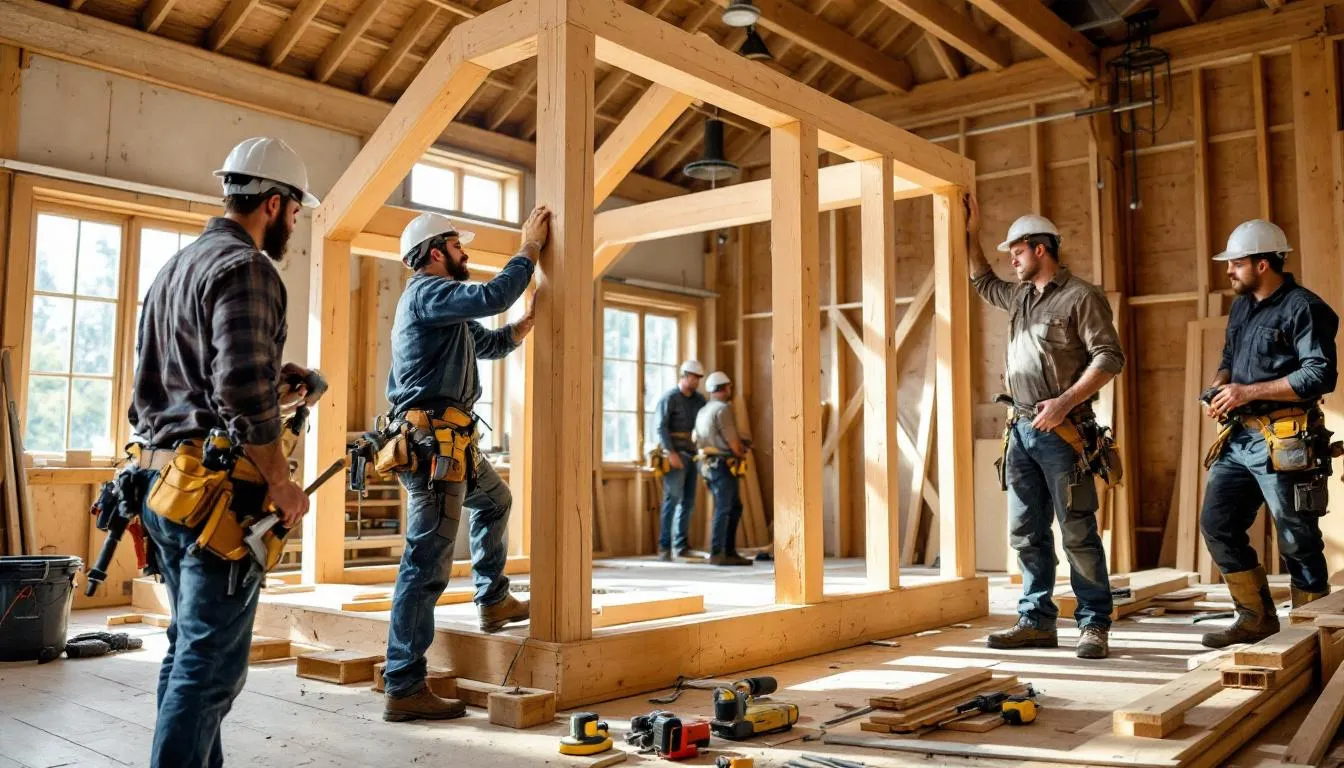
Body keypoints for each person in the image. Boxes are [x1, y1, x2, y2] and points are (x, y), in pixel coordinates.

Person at [129, 136, 319, 767]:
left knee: (189, 657)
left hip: (164, 487)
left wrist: (276, 383)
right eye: (295, 213)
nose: (294, 225)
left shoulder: (175, 267)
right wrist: (282, 479)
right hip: (217, 500)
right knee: (209, 674)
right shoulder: (249, 268)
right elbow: (237, 387)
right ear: (272, 202)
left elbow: (190, 379)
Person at [380, 205, 549, 722]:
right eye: (458, 246)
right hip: (432, 447)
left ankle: (493, 598)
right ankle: (404, 684)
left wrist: (524, 326)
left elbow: (490, 342)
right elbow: (493, 294)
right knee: (425, 565)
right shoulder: (427, 293)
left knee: (496, 500)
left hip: (451, 445)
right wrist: (529, 249)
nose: (465, 254)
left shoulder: (445, 314)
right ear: (436, 254)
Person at [966, 194, 1126, 660]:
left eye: (1016, 250)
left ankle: (1094, 623)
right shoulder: (1017, 296)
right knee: (1025, 531)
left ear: (1041, 249)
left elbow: (1109, 357)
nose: (1011, 259)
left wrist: (1064, 402)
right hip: (1019, 431)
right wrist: (970, 233)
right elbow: (980, 280)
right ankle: (1036, 620)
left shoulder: (1082, 297)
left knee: (1077, 530)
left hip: (1063, 432)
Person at [1197, 219, 1339, 649]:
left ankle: (1313, 637)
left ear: (1262, 264)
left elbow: (1320, 374)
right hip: (1240, 438)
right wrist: (1221, 388)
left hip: (1286, 440)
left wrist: (1246, 391)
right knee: (1217, 523)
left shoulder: (1305, 308)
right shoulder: (1242, 306)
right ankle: (1255, 618)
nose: (1228, 271)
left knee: (1297, 538)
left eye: (1236, 263)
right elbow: (1229, 358)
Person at [693, 371, 753, 566]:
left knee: (732, 506)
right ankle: (719, 552)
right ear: (725, 388)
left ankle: (727, 551)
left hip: (706, 465)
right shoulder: (723, 409)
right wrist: (741, 450)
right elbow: (733, 442)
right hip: (722, 465)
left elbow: (697, 438)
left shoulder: (703, 410)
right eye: (729, 388)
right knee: (726, 508)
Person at [653, 360, 707, 560]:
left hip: (693, 455)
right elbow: (661, 427)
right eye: (693, 377)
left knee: (689, 502)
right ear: (684, 375)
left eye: (699, 379)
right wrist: (670, 453)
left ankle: (681, 545)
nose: (696, 382)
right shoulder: (670, 398)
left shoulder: (699, 400)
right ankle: (664, 547)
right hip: (675, 455)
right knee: (672, 499)